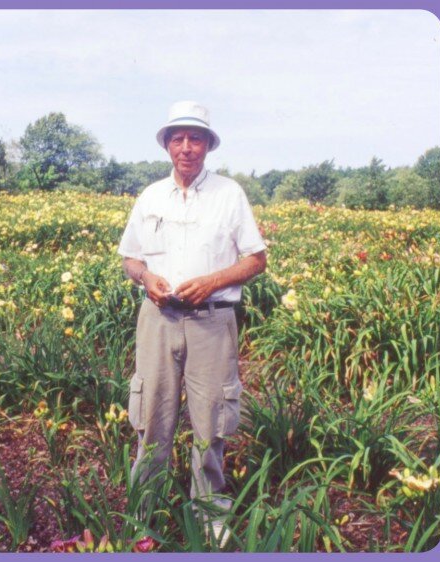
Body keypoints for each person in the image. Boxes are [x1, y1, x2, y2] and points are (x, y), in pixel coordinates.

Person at [118, 101, 267, 546]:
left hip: (212, 320)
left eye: (195, 138)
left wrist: (215, 281)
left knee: (211, 421)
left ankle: (209, 514)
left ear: (207, 145)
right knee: (152, 416)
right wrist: (146, 278)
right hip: (158, 320)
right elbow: (131, 258)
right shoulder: (150, 196)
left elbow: (256, 260)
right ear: (167, 145)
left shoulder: (230, 194)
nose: (186, 147)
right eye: (178, 138)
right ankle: (144, 509)